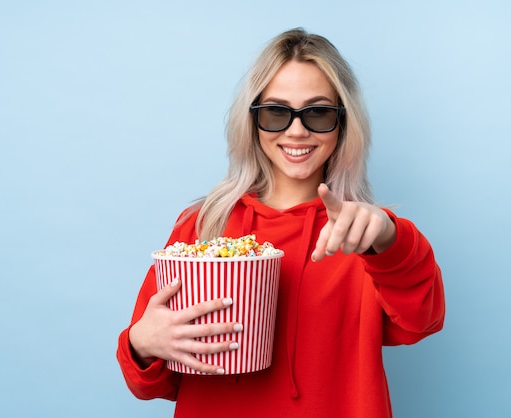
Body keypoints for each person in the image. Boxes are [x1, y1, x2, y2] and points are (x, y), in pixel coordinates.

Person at [116, 27, 445, 418]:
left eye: (318, 112)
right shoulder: (202, 228)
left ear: (343, 122)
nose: (296, 130)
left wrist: (388, 236)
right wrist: (140, 343)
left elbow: (422, 321)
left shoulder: (364, 237)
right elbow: (152, 383)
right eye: (276, 112)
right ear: (253, 121)